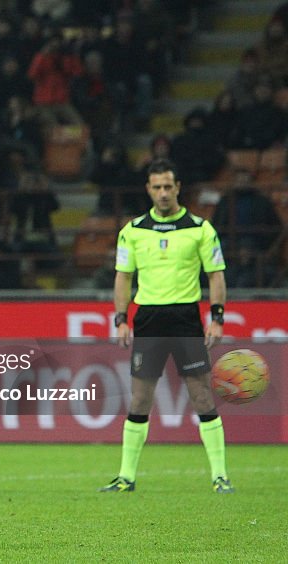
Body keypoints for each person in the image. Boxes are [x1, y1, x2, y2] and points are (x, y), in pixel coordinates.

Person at [101, 159, 231, 494]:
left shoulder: (200, 228)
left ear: (177, 188)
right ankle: (126, 477)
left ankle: (220, 476)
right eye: (156, 187)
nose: (162, 193)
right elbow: (123, 277)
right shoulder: (133, 231)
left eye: (167, 187)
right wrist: (120, 318)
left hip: (185, 318)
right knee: (140, 399)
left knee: (201, 395)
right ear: (148, 189)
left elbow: (215, 274)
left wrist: (217, 317)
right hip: (149, 320)